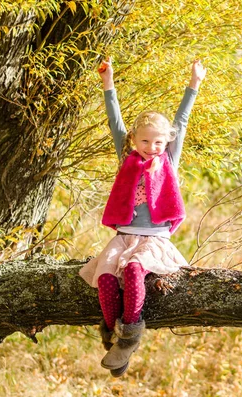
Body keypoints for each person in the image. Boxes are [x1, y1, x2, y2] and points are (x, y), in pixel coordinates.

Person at [79, 57, 206, 377]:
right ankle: (112, 337)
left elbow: (183, 119)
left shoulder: (167, 159)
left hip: (154, 238)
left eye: (158, 142)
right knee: (106, 279)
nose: (152, 147)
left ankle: (131, 333)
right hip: (123, 236)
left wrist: (194, 84)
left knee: (135, 271)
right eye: (145, 140)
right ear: (134, 139)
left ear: (167, 143)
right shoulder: (127, 156)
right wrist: (108, 81)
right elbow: (114, 120)